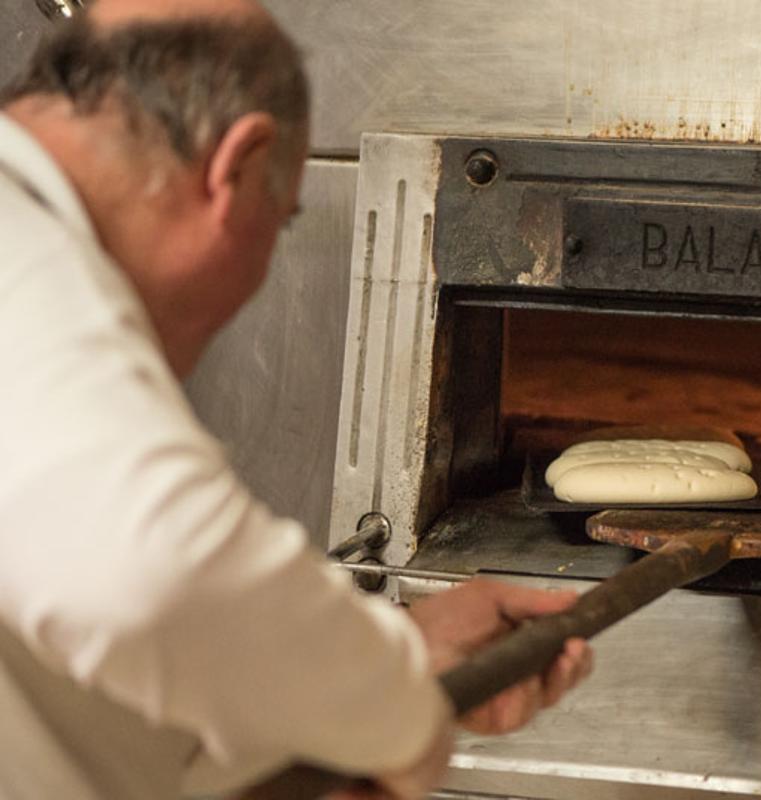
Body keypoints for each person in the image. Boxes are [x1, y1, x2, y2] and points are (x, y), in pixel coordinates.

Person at [0, 1, 592, 798]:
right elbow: (148, 575)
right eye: (278, 222)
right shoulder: (25, 264)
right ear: (237, 164)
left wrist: (394, 651)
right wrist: (396, 714)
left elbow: (67, 659)